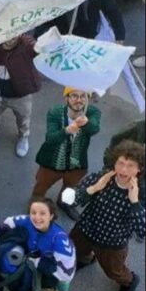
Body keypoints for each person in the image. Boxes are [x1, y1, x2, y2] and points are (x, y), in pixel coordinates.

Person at [71, 141, 145, 291]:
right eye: (121, 163)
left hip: (112, 242)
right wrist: (95, 188)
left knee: (114, 272)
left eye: (130, 165)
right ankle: (86, 259)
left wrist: (134, 203)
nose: (123, 170)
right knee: (75, 251)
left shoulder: (142, 193)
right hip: (85, 229)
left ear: (139, 169)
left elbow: (142, 232)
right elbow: (72, 200)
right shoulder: (101, 177)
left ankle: (130, 281)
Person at [0, 197, 76, 291]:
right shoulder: (24, 221)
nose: (36, 217)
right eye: (33, 212)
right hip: (26, 265)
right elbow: (4, 227)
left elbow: (66, 270)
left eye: (42, 213)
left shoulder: (59, 239)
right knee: (19, 284)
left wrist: (41, 264)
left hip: (47, 274)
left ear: (51, 215)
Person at [32, 87, 101, 220]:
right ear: (66, 98)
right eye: (74, 96)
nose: (79, 100)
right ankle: (36, 204)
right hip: (51, 162)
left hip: (77, 164)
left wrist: (86, 123)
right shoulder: (55, 112)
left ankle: (63, 202)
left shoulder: (92, 112)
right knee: (41, 185)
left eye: (83, 96)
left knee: (70, 186)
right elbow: (50, 138)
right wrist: (67, 131)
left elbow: (94, 129)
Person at [0, 34, 40, 156]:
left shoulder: (25, 44)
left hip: (21, 94)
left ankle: (23, 136)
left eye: (14, 35)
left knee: (23, 118)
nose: (10, 38)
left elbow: (34, 47)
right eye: (7, 34)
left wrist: (42, 44)